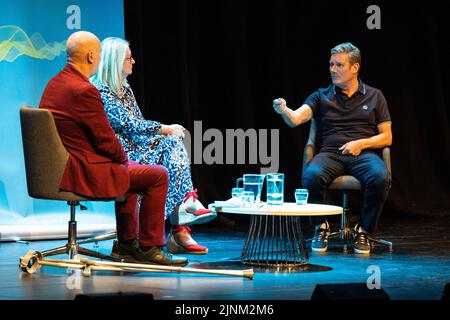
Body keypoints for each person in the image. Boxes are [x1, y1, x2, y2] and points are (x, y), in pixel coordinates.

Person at [39, 31, 187, 266]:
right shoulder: (85, 90)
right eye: (98, 54)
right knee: (156, 174)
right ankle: (149, 247)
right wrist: (124, 160)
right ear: (90, 56)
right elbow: (105, 141)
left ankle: (127, 245)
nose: (100, 59)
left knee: (130, 168)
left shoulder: (55, 83)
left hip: (61, 166)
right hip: (79, 169)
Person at [91, 37, 216, 255]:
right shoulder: (101, 91)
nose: (134, 62)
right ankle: (181, 223)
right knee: (170, 142)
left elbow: (137, 123)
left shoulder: (125, 89)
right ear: (115, 61)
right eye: (129, 58)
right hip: (119, 152)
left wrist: (164, 133)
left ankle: (185, 212)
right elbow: (130, 124)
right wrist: (163, 127)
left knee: (173, 144)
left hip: (137, 145)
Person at [273, 42, 392, 255]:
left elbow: (387, 136)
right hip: (331, 153)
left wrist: (361, 143)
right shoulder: (321, 96)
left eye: (338, 65)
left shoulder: (375, 96)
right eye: (330, 65)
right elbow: (296, 118)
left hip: (362, 153)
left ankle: (364, 230)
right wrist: (284, 110)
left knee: (380, 177)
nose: (332, 70)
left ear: (354, 68)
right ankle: (321, 226)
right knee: (312, 175)